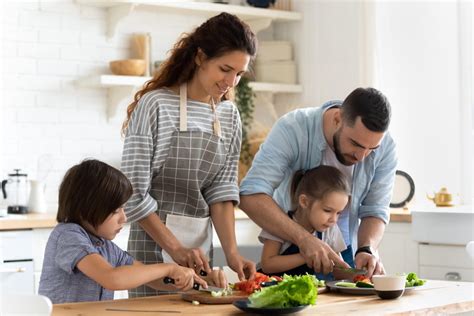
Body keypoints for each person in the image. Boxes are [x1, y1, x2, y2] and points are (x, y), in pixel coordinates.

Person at [120, 12, 258, 297]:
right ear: (199, 58)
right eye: (225, 69)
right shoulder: (156, 105)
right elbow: (133, 192)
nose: (231, 82)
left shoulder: (229, 115)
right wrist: (175, 248)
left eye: (239, 74)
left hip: (200, 255)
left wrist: (232, 254)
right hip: (153, 252)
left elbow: (220, 190)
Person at [240, 87, 397, 278]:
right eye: (355, 144)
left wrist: (367, 249)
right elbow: (250, 195)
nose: (362, 156)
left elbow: (375, 209)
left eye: (372, 148)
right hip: (290, 239)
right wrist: (304, 239)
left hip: (346, 250)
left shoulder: (386, 148)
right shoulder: (293, 128)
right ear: (337, 118)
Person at [38, 159, 223, 304]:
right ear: (86, 208)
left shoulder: (106, 247)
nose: (124, 218)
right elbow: (112, 279)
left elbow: (146, 276)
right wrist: (170, 267)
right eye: (115, 211)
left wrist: (199, 279)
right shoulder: (68, 236)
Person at [259, 165, 350, 280]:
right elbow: (268, 265)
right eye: (327, 210)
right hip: (275, 291)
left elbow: (339, 268)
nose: (334, 220)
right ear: (304, 202)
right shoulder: (279, 224)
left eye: (338, 213)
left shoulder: (331, 229)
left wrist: (358, 274)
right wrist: (307, 254)